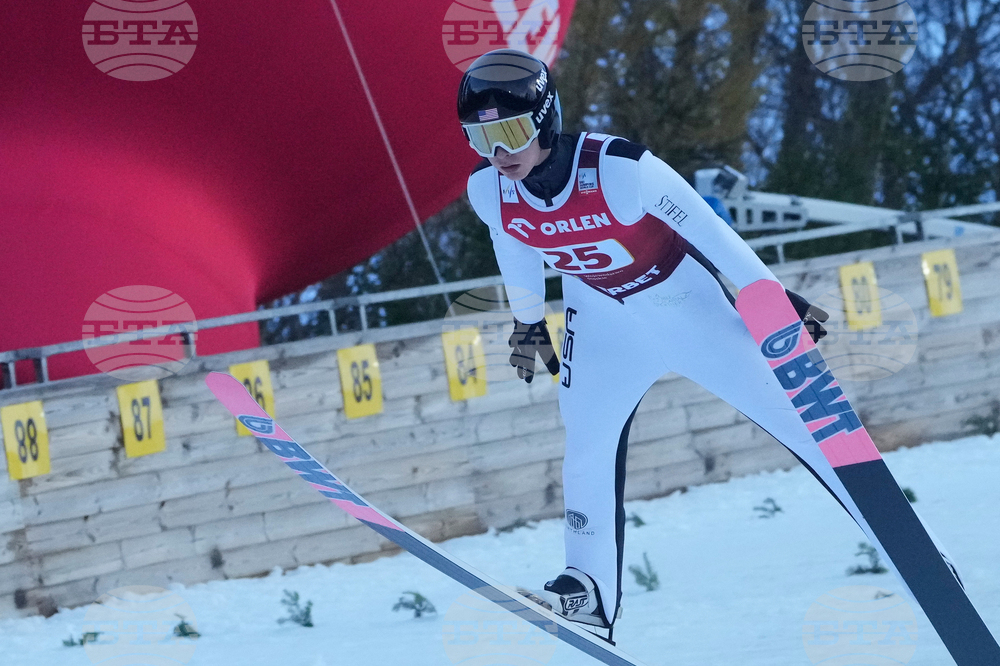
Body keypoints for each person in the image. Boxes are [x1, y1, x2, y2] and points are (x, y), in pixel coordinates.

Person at [457, 48, 834, 640]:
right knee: (586, 445)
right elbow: (514, 242)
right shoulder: (489, 190)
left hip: (684, 307)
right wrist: (528, 321)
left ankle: (899, 535)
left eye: (509, 133)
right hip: (602, 321)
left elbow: (709, 229)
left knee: (799, 420)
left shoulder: (620, 168)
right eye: (481, 139)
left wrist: (767, 294)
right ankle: (587, 587)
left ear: (546, 119)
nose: (498, 153)